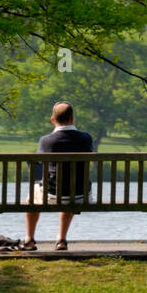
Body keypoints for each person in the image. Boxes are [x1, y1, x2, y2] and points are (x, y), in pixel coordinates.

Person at [24, 101, 95, 251]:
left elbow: (37, 164)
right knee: (69, 189)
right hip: (81, 195)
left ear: (53, 120)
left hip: (53, 195)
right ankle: (61, 240)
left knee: (32, 197)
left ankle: (29, 239)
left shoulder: (46, 140)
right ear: (73, 119)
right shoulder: (86, 138)